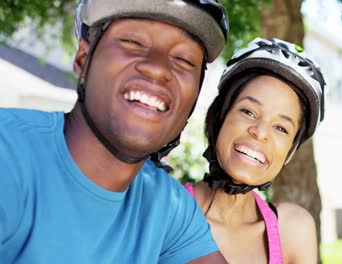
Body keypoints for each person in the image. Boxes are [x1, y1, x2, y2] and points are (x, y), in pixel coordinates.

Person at [0, 0, 229, 263]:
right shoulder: (8, 153)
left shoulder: (168, 208)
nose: (158, 68)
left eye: (184, 59)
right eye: (133, 42)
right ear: (83, 59)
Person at [185, 37, 327, 264]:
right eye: (248, 112)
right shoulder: (166, 209)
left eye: (281, 128)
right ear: (220, 117)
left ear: (290, 153)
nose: (260, 133)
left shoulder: (294, 230)